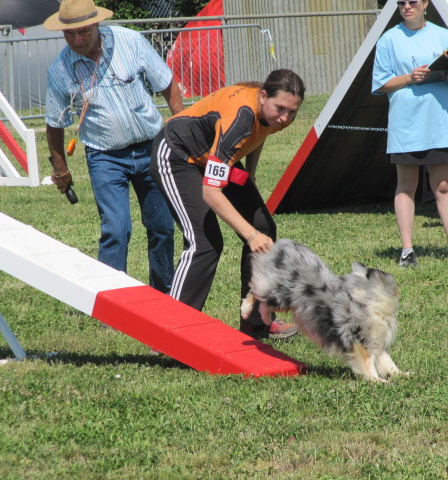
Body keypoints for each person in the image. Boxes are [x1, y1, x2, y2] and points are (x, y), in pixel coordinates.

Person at [151, 69, 305, 339]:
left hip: (216, 159)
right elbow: (211, 193)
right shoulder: (240, 119)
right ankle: (169, 333)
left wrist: (251, 177)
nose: (285, 118)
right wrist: (250, 235)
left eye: (292, 112)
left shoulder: (277, 113)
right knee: (205, 242)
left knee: (263, 227)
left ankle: (256, 322)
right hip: (178, 156)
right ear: (263, 95)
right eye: (280, 109)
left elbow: (261, 133)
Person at [43, 0, 184, 292]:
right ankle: (112, 300)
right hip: (105, 157)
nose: (77, 40)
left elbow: (168, 84)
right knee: (116, 230)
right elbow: (55, 124)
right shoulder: (60, 70)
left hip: (152, 147)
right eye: (69, 34)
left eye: (83, 32)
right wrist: (60, 169)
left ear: (96, 24)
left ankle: (164, 294)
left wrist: (181, 133)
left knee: (162, 227)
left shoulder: (130, 41)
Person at [372, 0, 448, 267]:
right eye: (401, 3)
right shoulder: (388, 40)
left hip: (438, 123)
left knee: (443, 186)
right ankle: (407, 251)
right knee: (406, 186)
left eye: (413, 2)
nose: (407, 7)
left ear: (425, 4)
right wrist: (410, 78)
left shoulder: (444, 35)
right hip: (406, 124)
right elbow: (381, 83)